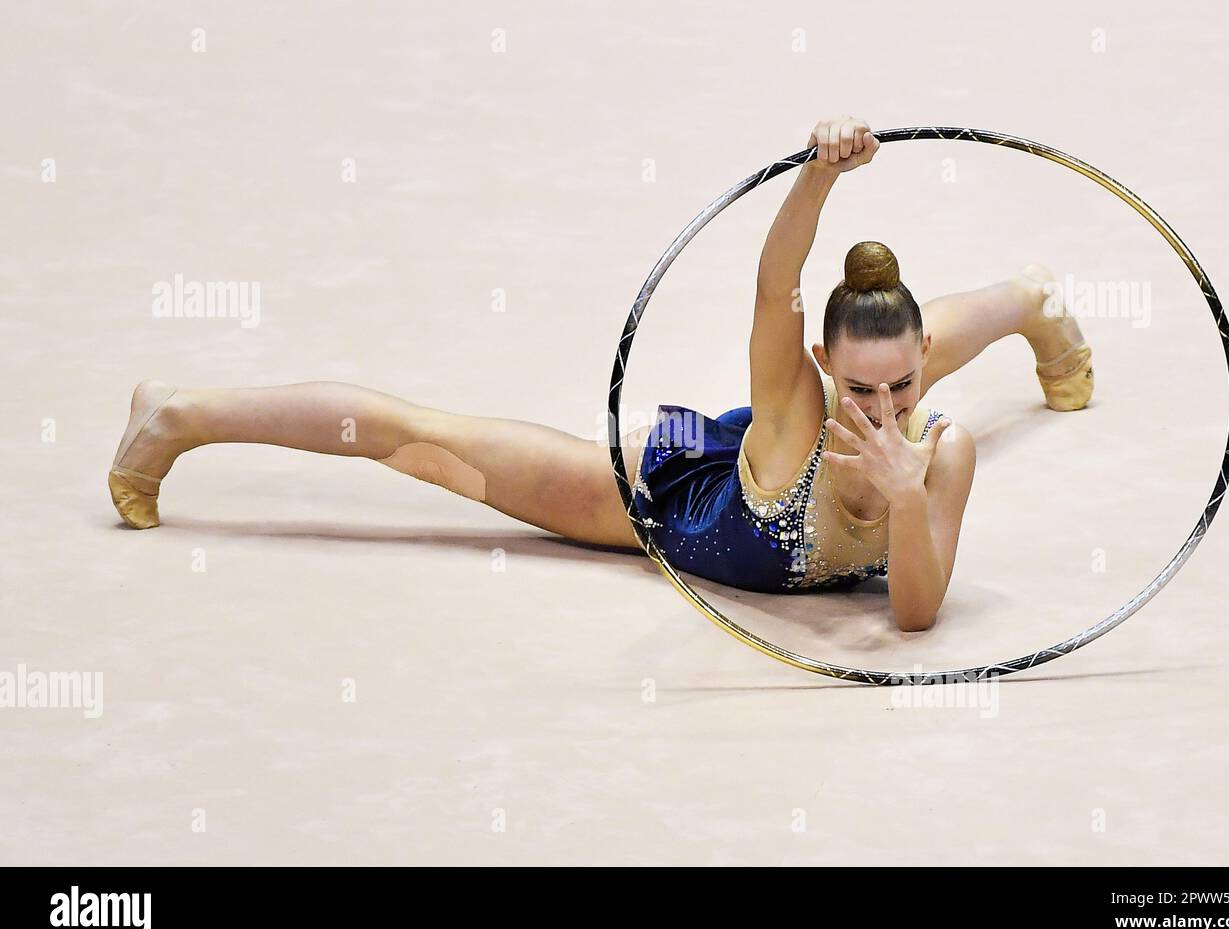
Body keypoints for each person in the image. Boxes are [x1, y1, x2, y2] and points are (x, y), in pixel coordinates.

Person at [109, 116, 1092, 631]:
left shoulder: (942, 453)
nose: (883, 411)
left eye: (902, 388)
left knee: (894, 343)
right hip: (682, 499)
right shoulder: (803, 397)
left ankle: (1031, 299)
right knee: (432, 445)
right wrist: (821, 172)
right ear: (823, 368)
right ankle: (180, 412)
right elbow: (775, 286)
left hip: (840, 431)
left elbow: (915, 616)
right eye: (860, 386)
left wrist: (907, 496)